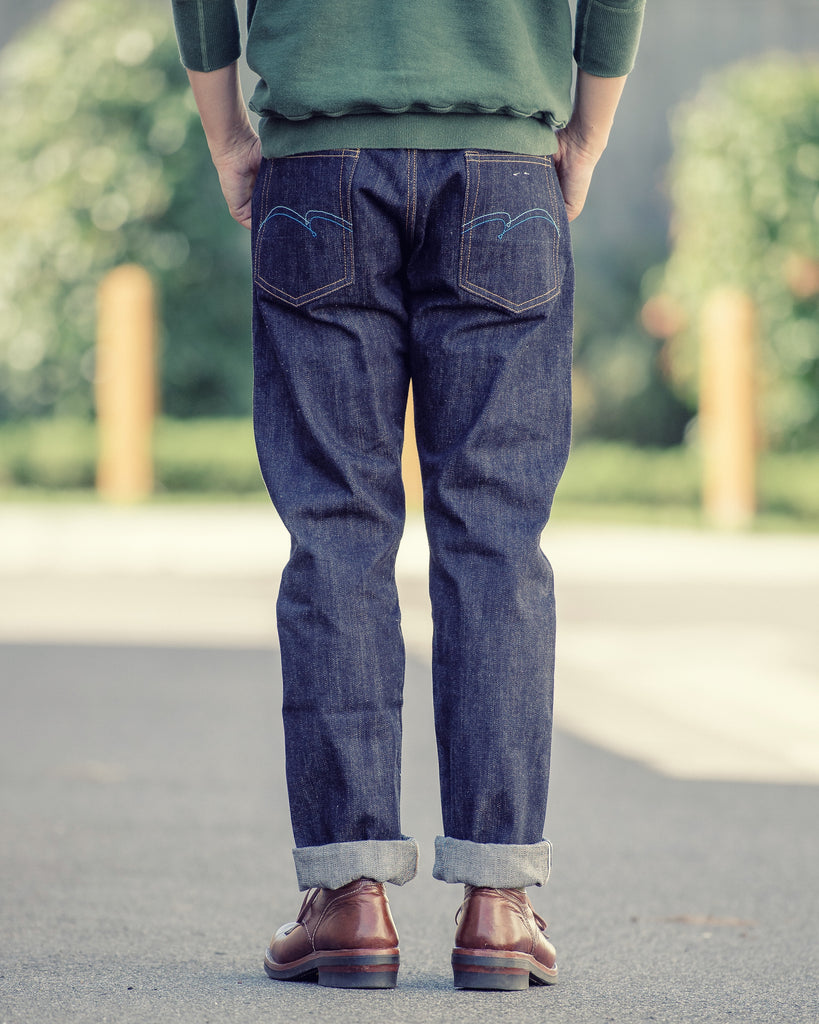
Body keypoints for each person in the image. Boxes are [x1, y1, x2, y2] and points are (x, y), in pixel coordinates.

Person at [171, 0, 644, 992]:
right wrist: (589, 132)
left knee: (335, 531)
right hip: (506, 165)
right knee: (496, 539)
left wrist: (225, 132)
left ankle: (348, 899)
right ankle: (501, 907)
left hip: (319, 163)